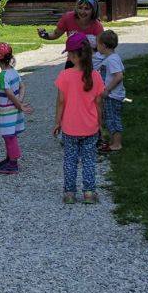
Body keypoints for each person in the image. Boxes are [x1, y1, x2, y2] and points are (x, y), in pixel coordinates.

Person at [54, 31, 106, 203]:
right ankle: (89, 193)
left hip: (70, 127)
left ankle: (69, 194)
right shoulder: (96, 76)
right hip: (90, 127)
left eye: (68, 53)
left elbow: (61, 102)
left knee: (70, 160)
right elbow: (99, 103)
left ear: (72, 55)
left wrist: (57, 122)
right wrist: (100, 124)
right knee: (89, 160)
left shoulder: (65, 75)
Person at [0, 41, 32, 174]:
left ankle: (13, 163)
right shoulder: (13, 71)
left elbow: (8, 92)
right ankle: (9, 158)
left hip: (7, 111)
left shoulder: (2, 76)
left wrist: (18, 103)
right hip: (14, 109)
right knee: (10, 134)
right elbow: (22, 86)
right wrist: (19, 101)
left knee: (9, 136)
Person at [94, 29, 126, 153]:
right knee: (109, 118)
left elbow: (119, 76)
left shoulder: (112, 59)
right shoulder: (112, 58)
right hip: (111, 95)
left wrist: (107, 90)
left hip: (113, 95)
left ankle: (117, 144)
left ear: (104, 45)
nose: (97, 47)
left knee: (113, 119)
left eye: (98, 44)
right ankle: (113, 141)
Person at [38, 0, 105, 45]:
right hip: (73, 58)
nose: (82, 12)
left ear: (93, 10)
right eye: (80, 8)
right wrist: (43, 34)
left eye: (87, 9)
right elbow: (55, 34)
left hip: (91, 59)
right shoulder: (68, 18)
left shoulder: (97, 26)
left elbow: (102, 47)